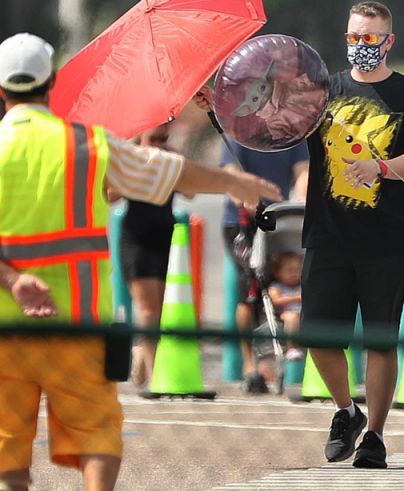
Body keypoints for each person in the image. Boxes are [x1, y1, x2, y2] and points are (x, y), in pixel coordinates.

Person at [0, 32, 282, 491]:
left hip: (6, 329)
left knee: (7, 446)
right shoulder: (88, 145)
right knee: (98, 438)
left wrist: (13, 281)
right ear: (50, 83)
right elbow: (167, 171)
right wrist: (234, 183)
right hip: (80, 325)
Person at [301, 1, 404, 469]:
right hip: (327, 232)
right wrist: (222, 111)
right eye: (353, 37)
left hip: (385, 238)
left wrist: (379, 167)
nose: (360, 46)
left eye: (370, 38)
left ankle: (375, 435)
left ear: (389, 41)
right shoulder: (325, 90)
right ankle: (346, 410)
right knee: (318, 334)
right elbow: (275, 128)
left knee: (381, 341)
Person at [194, 85, 309, 394]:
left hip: (279, 221)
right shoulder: (238, 132)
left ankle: (286, 350)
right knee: (251, 285)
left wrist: (301, 197)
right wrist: (244, 196)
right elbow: (230, 175)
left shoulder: (292, 138)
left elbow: (302, 173)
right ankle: (249, 366)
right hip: (242, 224)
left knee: (287, 281)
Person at [112, 124, 179, 389]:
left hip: (165, 236)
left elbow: (191, 191)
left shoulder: (171, 157)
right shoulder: (130, 158)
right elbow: (111, 195)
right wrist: (138, 167)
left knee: (162, 311)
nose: (159, 144)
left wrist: (169, 163)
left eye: (164, 138)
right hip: (137, 240)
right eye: (155, 138)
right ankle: (154, 373)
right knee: (148, 310)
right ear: (142, 135)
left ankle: (142, 352)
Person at [267, 251, 304, 362]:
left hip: (302, 314)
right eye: (290, 271)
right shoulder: (276, 287)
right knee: (292, 317)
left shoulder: (302, 286)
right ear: (278, 273)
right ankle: (291, 347)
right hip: (284, 315)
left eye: (297, 270)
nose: (295, 274)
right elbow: (276, 301)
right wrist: (295, 298)